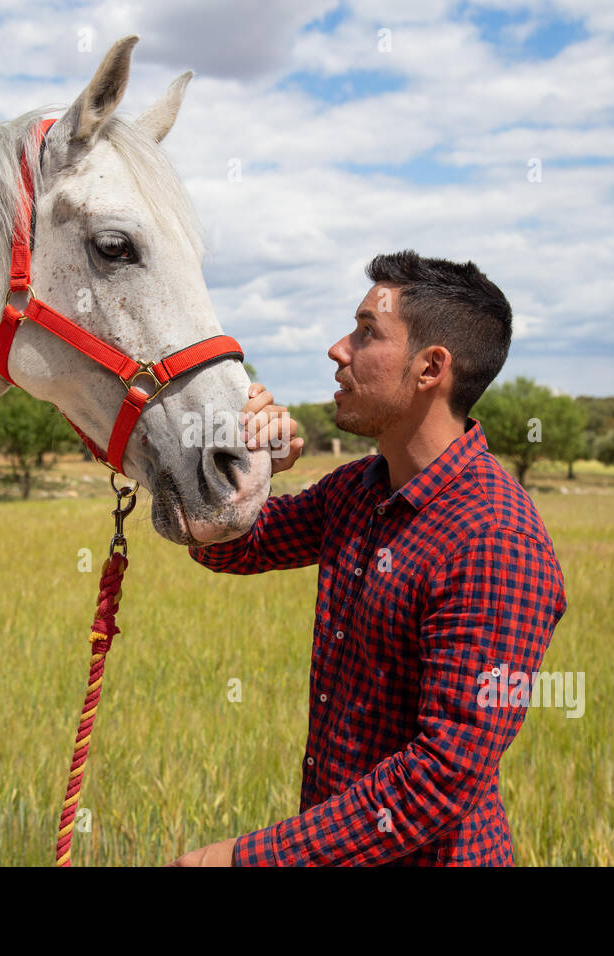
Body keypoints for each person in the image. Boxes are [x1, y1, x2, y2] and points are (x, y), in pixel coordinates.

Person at [168, 249, 567, 866]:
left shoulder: (495, 540)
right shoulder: (359, 490)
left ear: (431, 367)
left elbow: (442, 776)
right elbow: (230, 548)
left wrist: (242, 860)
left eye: (366, 332)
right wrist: (242, 465)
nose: (338, 349)